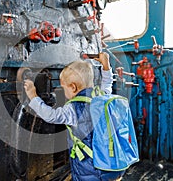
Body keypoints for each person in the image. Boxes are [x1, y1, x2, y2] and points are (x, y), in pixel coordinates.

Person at [24, 53, 125, 181]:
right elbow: (107, 83)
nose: (64, 92)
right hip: (111, 163)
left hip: (90, 170)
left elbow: (50, 116)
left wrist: (33, 96)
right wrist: (106, 65)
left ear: (73, 87)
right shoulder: (101, 96)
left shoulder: (73, 108)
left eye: (64, 88)